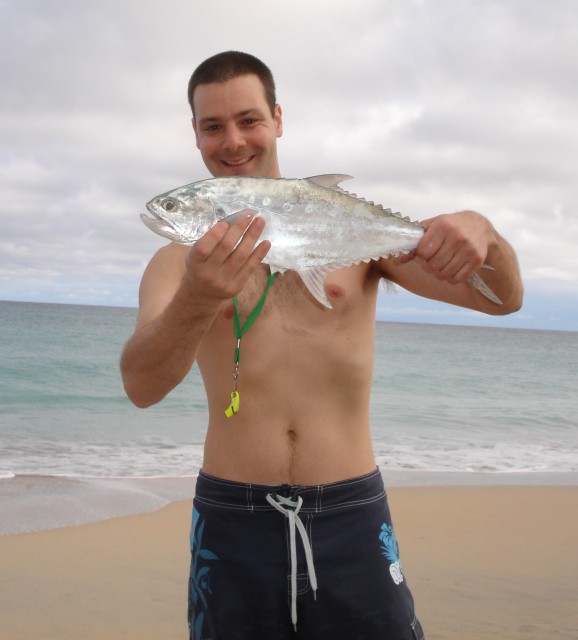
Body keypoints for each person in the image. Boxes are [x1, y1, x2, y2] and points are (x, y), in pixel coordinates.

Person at [121, 51, 523, 640]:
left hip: (351, 515)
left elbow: (500, 299)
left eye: (249, 119)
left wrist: (486, 235)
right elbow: (141, 386)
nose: (233, 140)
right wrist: (199, 296)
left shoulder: (356, 234)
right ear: (196, 135)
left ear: (278, 118)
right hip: (233, 519)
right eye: (213, 126)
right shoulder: (173, 264)